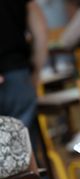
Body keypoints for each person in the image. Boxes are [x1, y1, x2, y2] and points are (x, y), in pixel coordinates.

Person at [0, 0, 48, 131]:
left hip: (15, 73)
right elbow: (41, 32)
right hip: (19, 74)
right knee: (24, 146)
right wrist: (36, 71)